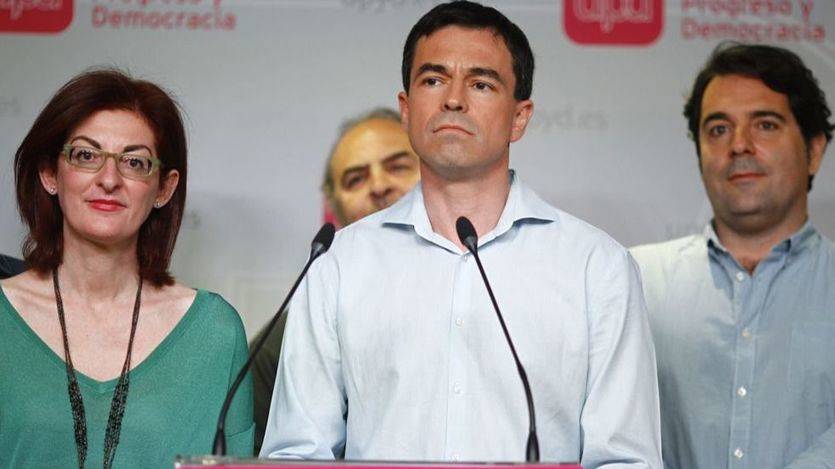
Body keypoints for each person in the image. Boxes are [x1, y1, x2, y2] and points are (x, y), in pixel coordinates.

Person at [260, 2, 661, 466]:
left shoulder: (597, 267)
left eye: (481, 83)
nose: (453, 100)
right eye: (433, 80)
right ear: (406, 110)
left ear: (519, 117)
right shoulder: (338, 264)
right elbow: (298, 453)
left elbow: (625, 460)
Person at [0, 69, 253, 468]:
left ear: (164, 188)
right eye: (86, 156)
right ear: (49, 173)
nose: (109, 179)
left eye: (134, 162)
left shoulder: (215, 334)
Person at [631, 43, 833, 468]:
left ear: (814, 150)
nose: (739, 145)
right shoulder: (634, 281)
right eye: (719, 129)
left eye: (765, 125)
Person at [249, 108, 420, 452]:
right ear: (332, 206)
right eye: (355, 179)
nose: (379, 186)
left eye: (398, 166)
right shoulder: (282, 343)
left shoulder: (491, 297)